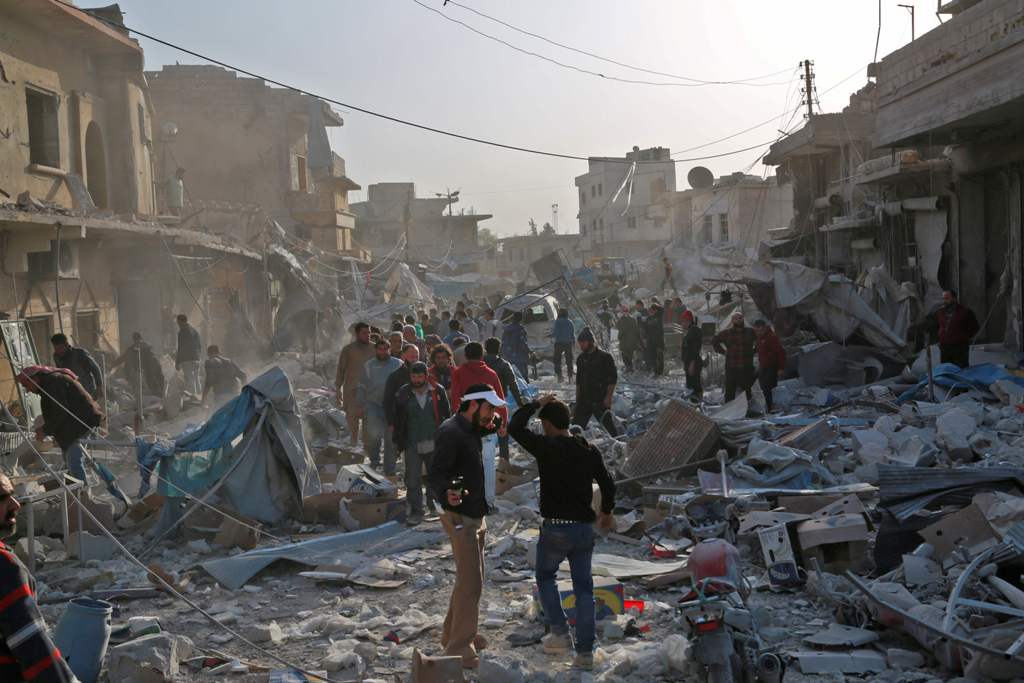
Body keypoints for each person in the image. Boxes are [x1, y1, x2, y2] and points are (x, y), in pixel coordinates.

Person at [508, 396, 615, 670]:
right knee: (584, 590)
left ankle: (559, 633)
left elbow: (515, 427)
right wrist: (606, 511)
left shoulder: (546, 446)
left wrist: (534, 403)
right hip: (583, 530)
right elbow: (607, 482)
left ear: (546, 423)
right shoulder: (588, 449)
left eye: (543, 422)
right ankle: (585, 653)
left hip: (555, 527)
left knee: (545, 576)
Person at [428, 383, 507, 668]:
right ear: (473, 405)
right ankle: (459, 647)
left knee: (469, 579)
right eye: (489, 409)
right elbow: (436, 473)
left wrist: (494, 420)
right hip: (460, 517)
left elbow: (487, 426)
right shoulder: (451, 432)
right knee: (471, 583)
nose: (493, 415)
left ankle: (454, 634)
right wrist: (446, 491)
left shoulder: (471, 425)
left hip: (475, 512)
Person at [0, 473, 80, 683]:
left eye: (13, 495)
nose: (15, 504)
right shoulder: (4, 567)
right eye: (2, 498)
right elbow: (34, 649)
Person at [16, 366, 103, 483]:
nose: (27, 390)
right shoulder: (48, 385)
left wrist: (45, 430)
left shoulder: (53, 383)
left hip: (82, 423)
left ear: (34, 379)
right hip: (76, 424)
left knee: (73, 459)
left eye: (26, 385)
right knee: (69, 459)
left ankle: (82, 493)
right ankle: (76, 490)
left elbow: (60, 412)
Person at [450, 343, 509, 506]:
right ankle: (488, 502)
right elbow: (500, 400)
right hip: (488, 427)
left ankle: (468, 500)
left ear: (466, 356)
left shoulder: (458, 373)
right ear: (482, 355)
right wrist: (503, 424)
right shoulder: (491, 373)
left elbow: (455, 400)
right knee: (488, 465)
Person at [393, 361, 451, 524]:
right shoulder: (403, 393)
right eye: (413, 376)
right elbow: (398, 420)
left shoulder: (437, 391)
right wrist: (398, 443)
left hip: (435, 439)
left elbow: (447, 415)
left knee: (436, 476)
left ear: (426, 376)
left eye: (420, 376)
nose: (417, 379)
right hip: (412, 441)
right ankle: (417, 511)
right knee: (412, 478)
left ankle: (436, 507)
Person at [357, 339, 402, 474]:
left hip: (392, 407)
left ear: (389, 349)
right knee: (374, 435)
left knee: (390, 438)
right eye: (380, 349)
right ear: (376, 350)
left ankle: (389, 469)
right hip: (373, 405)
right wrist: (360, 404)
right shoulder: (369, 365)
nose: (382, 352)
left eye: (385, 349)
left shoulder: (397, 364)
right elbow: (361, 386)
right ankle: (374, 461)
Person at [483, 337, 525, 463]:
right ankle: (504, 462)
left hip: (482, 404)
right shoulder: (504, 364)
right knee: (502, 434)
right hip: (499, 403)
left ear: (485, 348)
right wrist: (520, 402)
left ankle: (485, 464)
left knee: (484, 436)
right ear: (499, 349)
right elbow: (513, 385)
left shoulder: (480, 364)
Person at [335, 322, 375, 447]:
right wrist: (337, 388)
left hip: (370, 392)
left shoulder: (375, 349)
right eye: (364, 333)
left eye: (369, 332)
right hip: (352, 390)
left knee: (368, 424)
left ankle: (367, 451)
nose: (367, 335)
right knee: (352, 422)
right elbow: (341, 369)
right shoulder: (348, 350)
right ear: (357, 334)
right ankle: (353, 448)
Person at [573, 328, 618, 436]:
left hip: (600, 399)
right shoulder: (581, 359)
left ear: (590, 342)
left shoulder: (605, 357)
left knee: (609, 428)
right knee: (575, 428)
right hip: (584, 400)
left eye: (583, 342)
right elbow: (578, 381)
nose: (581, 345)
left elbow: (612, 379)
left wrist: (608, 397)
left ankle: (619, 446)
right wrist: (577, 399)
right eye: (580, 343)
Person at [712, 312, 757, 402]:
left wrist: (754, 351)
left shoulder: (750, 332)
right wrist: (723, 352)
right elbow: (714, 340)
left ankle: (747, 409)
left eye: (740, 318)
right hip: (732, 366)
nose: (739, 320)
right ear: (732, 320)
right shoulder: (727, 333)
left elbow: (760, 339)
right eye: (736, 318)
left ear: (743, 319)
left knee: (747, 390)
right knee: (730, 390)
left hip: (746, 366)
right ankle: (729, 410)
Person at [930, 290, 980, 368]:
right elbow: (935, 326)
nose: (944, 301)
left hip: (960, 347)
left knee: (961, 370)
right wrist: (940, 337)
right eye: (943, 298)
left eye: (947, 298)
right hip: (945, 347)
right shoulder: (940, 312)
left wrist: (964, 337)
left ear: (954, 298)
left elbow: (975, 327)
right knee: (946, 369)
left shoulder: (965, 312)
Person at [109, 332, 166, 399]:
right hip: (153, 369)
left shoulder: (133, 348)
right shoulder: (149, 346)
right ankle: (160, 399)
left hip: (145, 372)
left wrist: (112, 365)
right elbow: (156, 360)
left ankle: (153, 400)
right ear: (141, 338)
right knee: (156, 388)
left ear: (134, 339)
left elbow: (122, 359)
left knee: (146, 388)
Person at [50, 333, 102, 401]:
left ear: (66, 345)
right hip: (72, 393)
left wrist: (99, 387)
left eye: (60, 348)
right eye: (56, 348)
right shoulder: (56, 356)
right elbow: (62, 373)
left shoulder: (80, 354)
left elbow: (95, 369)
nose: (58, 351)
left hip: (87, 391)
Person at [753, 320, 786, 413]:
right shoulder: (760, 338)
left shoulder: (771, 337)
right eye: (757, 331)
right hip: (763, 366)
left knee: (767, 388)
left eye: (760, 330)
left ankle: (770, 408)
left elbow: (781, 353)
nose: (758, 332)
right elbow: (759, 351)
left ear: (764, 328)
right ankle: (767, 407)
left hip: (771, 366)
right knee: (763, 388)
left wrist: (781, 368)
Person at [175, 314, 202, 397]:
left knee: (189, 379)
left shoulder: (182, 331)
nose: (177, 324)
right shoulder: (194, 331)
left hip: (187, 359)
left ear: (181, 321)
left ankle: (193, 398)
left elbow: (181, 347)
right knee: (196, 378)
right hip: (196, 358)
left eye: (178, 322)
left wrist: (177, 362)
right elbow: (199, 346)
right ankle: (199, 396)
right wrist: (198, 356)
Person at [501, 311, 531, 380]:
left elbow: (504, 341)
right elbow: (523, 343)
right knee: (523, 376)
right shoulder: (521, 329)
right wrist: (529, 351)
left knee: (510, 375)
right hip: (520, 356)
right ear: (521, 319)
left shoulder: (507, 329)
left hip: (508, 355)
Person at [680, 311, 703, 400]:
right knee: (690, 385)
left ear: (688, 321)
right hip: (689, 363)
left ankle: (696, 403)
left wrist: (692, 365)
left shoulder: (694, 331)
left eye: (683, 321)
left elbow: (695, 349)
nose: (682, 323)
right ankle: (693, 404)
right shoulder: (690, 331)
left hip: (693, 363)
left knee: (695, 386)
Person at [551, 309, 576, 383]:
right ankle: (570, 377)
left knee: (557, 360)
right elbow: (572, 334)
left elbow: (556, 333)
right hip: (568, 343)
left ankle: (559, 376)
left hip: (559, 343)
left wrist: (550, 336)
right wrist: (573, 343)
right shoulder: (570, 322)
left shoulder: (557, 322)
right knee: (569, 360)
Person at [643, 303, 665, 375]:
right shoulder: (649, 318)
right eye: (651, 310)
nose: (651, 311)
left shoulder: (659, 317)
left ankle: (660, 372)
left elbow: (660, 331)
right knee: (653, 358)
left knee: (660, 358)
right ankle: (656, 371)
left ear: (656, 310)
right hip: (651, 342)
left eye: (653, 310)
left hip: (658, 341)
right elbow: (646, 329)